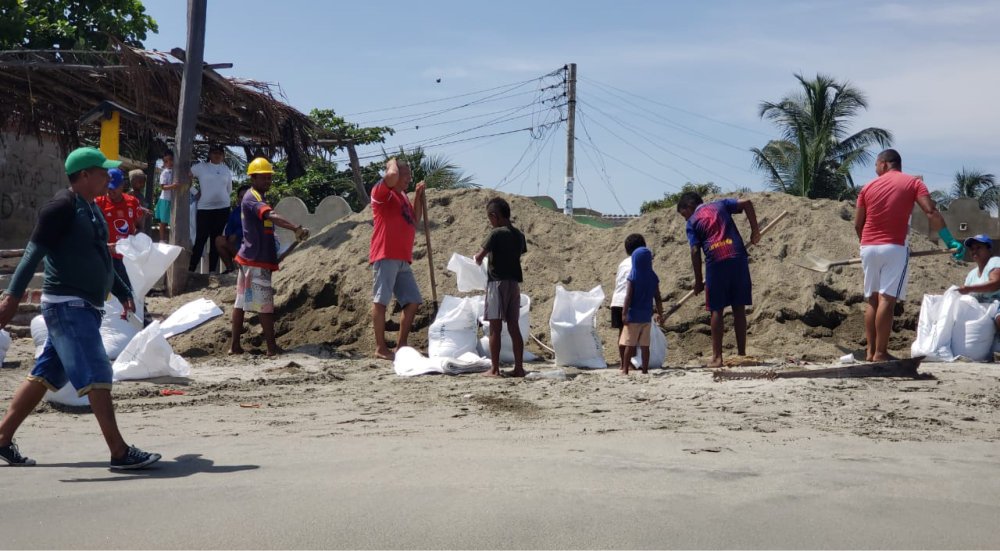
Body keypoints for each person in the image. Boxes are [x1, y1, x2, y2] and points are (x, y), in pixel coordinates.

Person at [0, 147, 159, 469]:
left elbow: (101, 255)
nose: (108, 178)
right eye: (102, 172)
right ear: (84, 175)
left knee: (45, 375)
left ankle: (1, 438)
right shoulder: (60, 207)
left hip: (84, 306)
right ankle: (119, 452)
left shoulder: (92, 207)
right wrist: (11, 297)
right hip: (67, 305)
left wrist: (123, 291)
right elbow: (32, 254)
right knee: (97, 370)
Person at [855, 149, 963, 362]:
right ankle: (880, 353)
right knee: (887, 299)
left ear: (884, 164)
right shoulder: (913, 183)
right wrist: (949, 239)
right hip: (894, 247)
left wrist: (866, 244)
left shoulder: (867, 187)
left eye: (876, 165)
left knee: (872, 300)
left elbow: (858, 224)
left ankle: (870, 352)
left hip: (868, 247)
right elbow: (931, 212)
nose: (876, 169)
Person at [229, 158, 308, 356]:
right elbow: (270, 216)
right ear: (253, 178)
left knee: (241, 303)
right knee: (264, 305)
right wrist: (295, 228)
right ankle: (271, 348)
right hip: (255, 260)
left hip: (250, 258)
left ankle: (235, 346)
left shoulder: (258, 197)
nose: (268, 181)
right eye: (263, 177)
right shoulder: (253, 198)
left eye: (269, 177)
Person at [677, 192, 760, 368]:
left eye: (684, 215)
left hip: (716, 261)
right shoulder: (720, 205)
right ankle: (741, 354)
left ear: (689, 207)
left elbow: (695, 251)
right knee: (738, 307)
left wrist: (698, 280)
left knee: (716, 309)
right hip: (737, 256)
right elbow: (747, 203)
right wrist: (755, 231)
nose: (686, 219)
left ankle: (717, 358)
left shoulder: (692, 222)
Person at [369, 158, 425, 360]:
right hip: (386, 254)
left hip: (402, 257)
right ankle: (380, 347)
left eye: (410, 174)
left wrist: (418, 197)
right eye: (405, 174)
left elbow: (414, 220)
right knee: (381, 301)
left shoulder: (402, 196)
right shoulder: (381, 192)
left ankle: (401, 345)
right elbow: (391, 175)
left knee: (413, 301)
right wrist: (392, 161)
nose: (409, 178)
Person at [475, 197, 528, 377]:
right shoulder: (519, 235)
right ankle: (519, 368)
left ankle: (495, 369)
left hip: (496, 284)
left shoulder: (496, 234)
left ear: (494, 216)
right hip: (514, 284)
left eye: (490, 218)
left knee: (495, 328)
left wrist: (476, 259)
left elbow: (480, 257)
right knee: (514, 326)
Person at [95, 167, 146, 302]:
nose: (110, 191)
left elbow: (140, 226)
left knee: (128, 292)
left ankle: (138, 312)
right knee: (106, 295)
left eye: (114, 188)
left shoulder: (132, 202)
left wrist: (134, 241)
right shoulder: (99, 202)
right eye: (108, 187)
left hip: (126, 258)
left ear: (122, 185)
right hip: (106, 257)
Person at [620, 246, 663, 375]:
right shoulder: (653, 276)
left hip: (633, 316)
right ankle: (645, 370)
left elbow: (628, 297)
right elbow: (658, 297)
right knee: (645, 346)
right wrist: (660, 313)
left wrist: (624, 313)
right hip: (646, 317)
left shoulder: (633, 276)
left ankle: (625, 369)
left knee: (630, 344)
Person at [189, 145, 233, 273]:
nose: (217, 155)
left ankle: (212, 272)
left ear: (223, 156)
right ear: (209, 154)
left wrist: (221, 199)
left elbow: (229, 189)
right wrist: (194, 191)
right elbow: (186, 176)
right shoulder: (201, 167)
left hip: (223, 208)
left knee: (216, 241)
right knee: (200, 239)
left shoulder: (226, 169)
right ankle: (191, 270)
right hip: (205, 208)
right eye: (214, 152)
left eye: (220, 153)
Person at [611, 233, 646, 368]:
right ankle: (630, 363)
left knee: (623, 333)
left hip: (616, 301)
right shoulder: (640, 262)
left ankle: (623, 363)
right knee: (632, 335)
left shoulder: (622, 264)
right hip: (630, 301)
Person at [957, 235, 1000, 332]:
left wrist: (970, 289)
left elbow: (996, 284)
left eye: (978, 247)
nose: (974, 251)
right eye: (972, 249)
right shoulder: (971, 274)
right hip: (982, 310)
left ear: (989, 250)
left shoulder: (995, 261)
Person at [216, 185, 251, 273]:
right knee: (219, 240)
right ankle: (230, 269)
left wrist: (237, 234)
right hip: (236, 245)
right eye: (241, 197)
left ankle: (244, 265)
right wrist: (229, 236)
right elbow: (229, 228)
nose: (243, 199)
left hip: (252, 246)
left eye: (246, 197)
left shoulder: (257, 210)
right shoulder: (235, 212)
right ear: (238, 199)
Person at [155, 151, 177, 243]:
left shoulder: (177, 171)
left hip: (174, 200)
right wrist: (173, 186)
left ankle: (172, 239)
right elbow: (163, 187)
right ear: (164, 163)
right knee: (163, 222)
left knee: (173, 221)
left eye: (171, 160)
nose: (169, 162)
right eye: (166, 161)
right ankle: (162, 240)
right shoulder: (164, 173)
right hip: (165, 200)